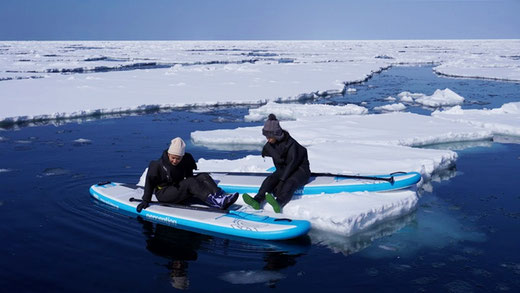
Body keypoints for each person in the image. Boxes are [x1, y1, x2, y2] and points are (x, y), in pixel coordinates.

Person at [136, 137, 238, 213]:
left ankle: (219, 196)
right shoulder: (157, 165)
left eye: (178, 158)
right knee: (190, 182)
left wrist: (198, 188)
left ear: (182, 156)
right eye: (173, 157)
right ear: (168, 154)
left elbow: (190, 176)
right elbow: (149, 182)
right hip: (164, 193)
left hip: (178, 188)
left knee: (203, 176)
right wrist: (146, 200)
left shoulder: (186, 159)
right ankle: (216, 202)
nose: (175, 161)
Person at [242, 114, 310, 213]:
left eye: (269, 137)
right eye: (266, 136)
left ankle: (279, 203)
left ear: (276, 135)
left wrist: (282, 181)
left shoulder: (291, 145)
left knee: (290, 182)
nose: (267, 139)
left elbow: (292, 164)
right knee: (271, 179)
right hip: (284, 168)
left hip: (300, 170)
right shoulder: (271, 144)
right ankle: (257, 200)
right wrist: (277, 179)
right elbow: (280, 166)